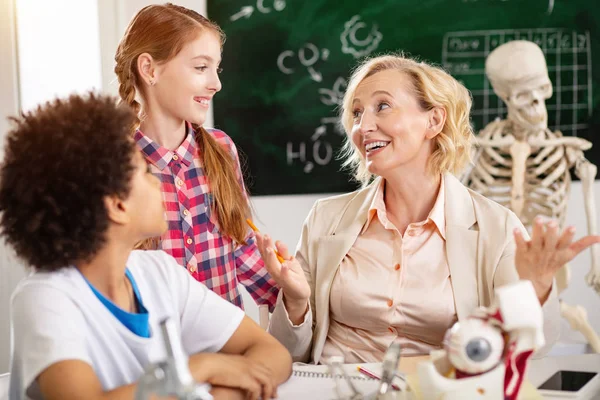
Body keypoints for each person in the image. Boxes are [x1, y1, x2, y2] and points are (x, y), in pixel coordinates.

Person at [256, 54, 600, 364]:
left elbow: (529, 349)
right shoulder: (324, 219)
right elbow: (288, 355)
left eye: (383, 106)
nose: (363, 127)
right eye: (357, 113)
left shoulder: (496, 227)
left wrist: (537, 289)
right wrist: (297, 303)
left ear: (434, 121)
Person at [2, 93, 292, 400]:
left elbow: (273, 354)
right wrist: (197, 369)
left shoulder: (159, 273)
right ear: (117, 205)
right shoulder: (45, 297)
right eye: (144, 171)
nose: (157, 181)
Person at [114, 3, 278, 310]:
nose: (216, 84)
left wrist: (289, 293)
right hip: (151, 350)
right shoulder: (113, 164)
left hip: (226, 349)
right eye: (201, 67)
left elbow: (240, 249)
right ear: (149, 69)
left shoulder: (221, 149)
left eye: (216, 69)